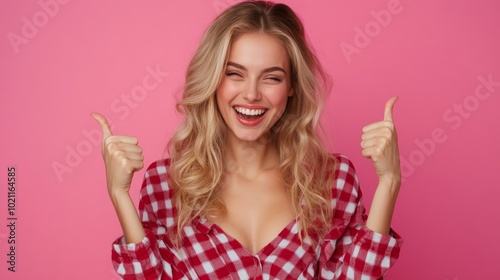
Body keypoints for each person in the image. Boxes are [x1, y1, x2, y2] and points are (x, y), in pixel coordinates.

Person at [91, 1, 403, 279]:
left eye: (272, 77)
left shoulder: (331, 180)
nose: (252, 94)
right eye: (235, 74)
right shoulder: (165, 184)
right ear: (213, 80)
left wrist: (389, 182)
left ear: (292, 86)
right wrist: (119, 195)